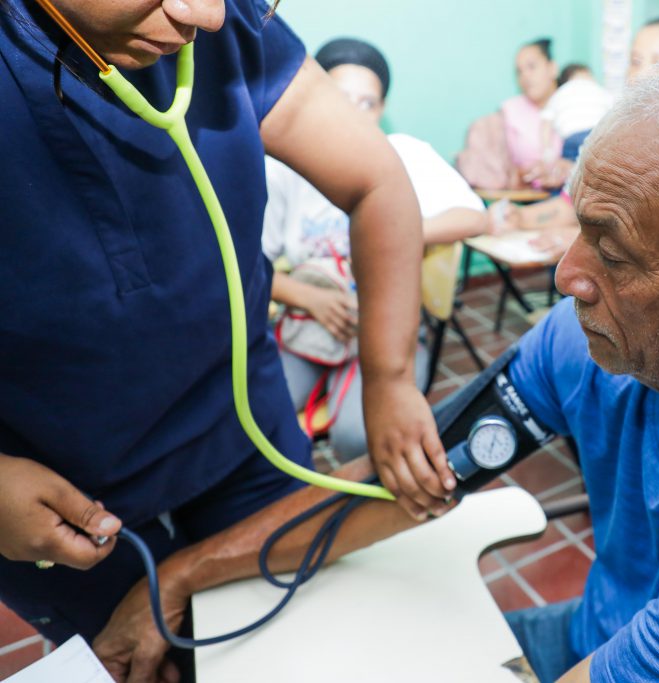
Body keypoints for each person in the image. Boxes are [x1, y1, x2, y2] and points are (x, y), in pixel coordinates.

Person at [94, 37, 659, 683]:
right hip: (602, 632)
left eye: (613, 250)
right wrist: (180, 575)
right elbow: (410, 476)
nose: (567, 274)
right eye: (579, 224)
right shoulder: (601, 341)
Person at [0, 0, 449, 659]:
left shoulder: (227, 24)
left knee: (289, 645)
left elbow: (376, 181)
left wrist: (389, 377)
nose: (208, 17)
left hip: (243, 436)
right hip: (57, 496)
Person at [264, 37, 493, 460]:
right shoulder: (284, 168)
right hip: (308, 322)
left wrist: (394, 232)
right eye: (340, 98)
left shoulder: (404, 154)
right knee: (257, 414)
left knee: (360, 437)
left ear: (382, 109)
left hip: (384, 325)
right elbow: (250, 265)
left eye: (367, 103)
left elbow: (476, 217)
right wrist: (311, 298)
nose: (353, 114)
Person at [504, 16, 659, 254]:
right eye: (636, 61)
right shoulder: (607, 133)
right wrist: (518, 217)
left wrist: (581, 240)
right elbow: (570, 206)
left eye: (658, 61)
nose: (642, 74)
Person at [457, 38, 568, 190]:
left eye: (532, 66)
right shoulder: (510, 111)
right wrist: (522, 175)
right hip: (527, 195)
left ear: (552, 68)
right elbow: (500, 169)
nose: (525, 76)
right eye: (519, 71)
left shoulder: (574, 103)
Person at [542, 63, 614, 162]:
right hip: (597, 135)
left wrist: (547, 150)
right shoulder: (600, 90)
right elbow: (616, 110)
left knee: (570, 165)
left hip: (571, 139)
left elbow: (546, 123)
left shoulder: (558, 95)